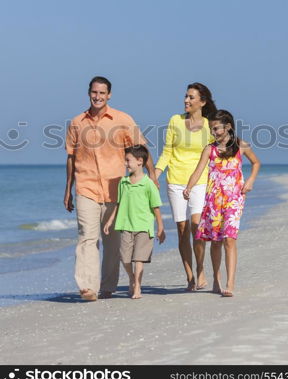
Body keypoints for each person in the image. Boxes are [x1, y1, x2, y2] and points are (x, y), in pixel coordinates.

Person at [64, 76, 157, 301]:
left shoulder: (122, 120)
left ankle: (107, 286)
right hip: (86, 187)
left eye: (102, 93)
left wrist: (152, 177)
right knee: (87, 236)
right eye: (94, 93)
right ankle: (88, 287)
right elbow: (71, 157)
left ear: (109, 95)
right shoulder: (77, 122)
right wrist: (68, 189)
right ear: (89, 93)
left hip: (116, 189)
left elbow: (141, 150)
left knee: (113, 242)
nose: (98, 97)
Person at [183, 109, 261, 297]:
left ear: (228, 127)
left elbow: (256, 163)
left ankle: (230, 283)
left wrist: (250, 181)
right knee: (216, 241)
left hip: (234, 199)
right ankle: (216, 280)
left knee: (229, 239)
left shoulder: (240, 145)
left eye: (216, 128)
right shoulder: (210, 149)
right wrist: (189, 187)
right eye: (211, 129)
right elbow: (198, 170)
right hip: (213, 200)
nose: (213, 132)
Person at [155, 82, 217, 291]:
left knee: (197, 226)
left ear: (202, 102)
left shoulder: (210, 125)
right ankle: (190, 275)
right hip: (175, 180)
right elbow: (167, 152)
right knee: (182, 229)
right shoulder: (175, 121)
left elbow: (215, 153)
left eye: (191, 97)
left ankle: (200, 269)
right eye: (185, 96)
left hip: (200, 180)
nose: (186, 100)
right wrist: (156, 173)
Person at [104, 145, 165, 299]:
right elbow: (119, 204)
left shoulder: (148, 184)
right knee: (125, 258)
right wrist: (110, 220)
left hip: (144, 226)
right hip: (125, 225)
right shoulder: (123, 183)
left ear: (139, 161)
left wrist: (160, 228)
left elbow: (156, 207)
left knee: (138, 258)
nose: (125, 164)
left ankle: (137, 286)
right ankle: (132, 278)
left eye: (127, 160)